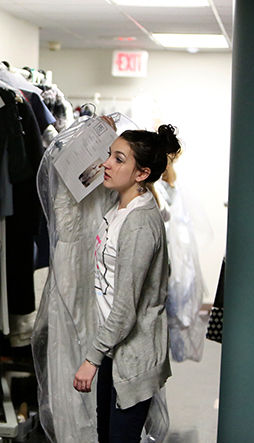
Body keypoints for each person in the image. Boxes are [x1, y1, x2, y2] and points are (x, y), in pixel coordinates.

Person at [73, 120, 181, 442]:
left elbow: (125, 308)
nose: (107, 163)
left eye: (119, 159)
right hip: (113, 349)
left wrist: (91, 360)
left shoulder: (139, 225)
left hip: (130, 355)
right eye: (109, 154)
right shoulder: (118, 209)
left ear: (142, 174)